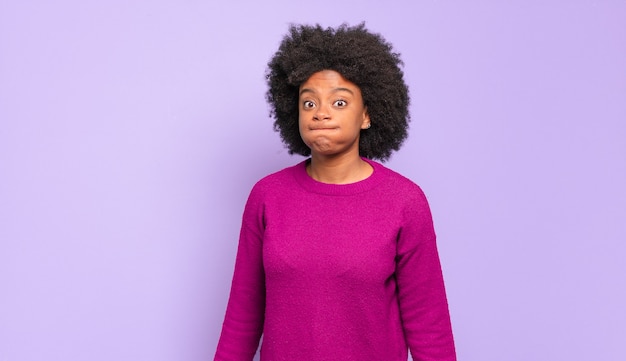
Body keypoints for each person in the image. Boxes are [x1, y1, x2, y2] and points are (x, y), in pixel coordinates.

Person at [214, 23, 456, 361]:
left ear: (367, 115)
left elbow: (429, 327)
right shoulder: (267, 196)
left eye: (339, 102)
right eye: (308, 103)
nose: (321, 113)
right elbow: (242, 318)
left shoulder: (405, 202)